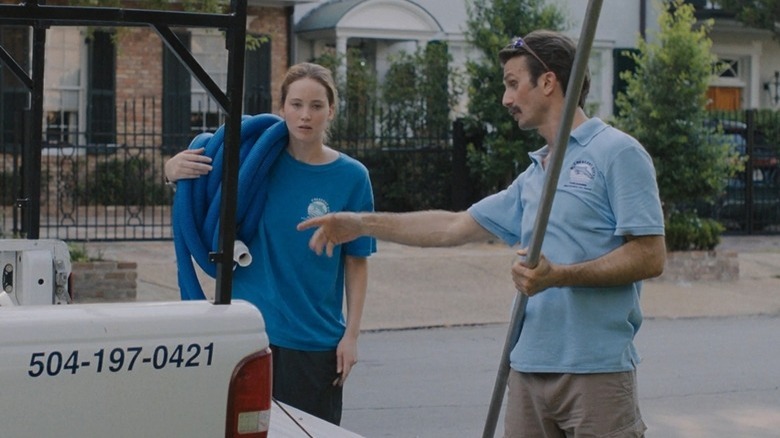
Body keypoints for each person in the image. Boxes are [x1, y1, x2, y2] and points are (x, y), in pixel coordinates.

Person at [297, 30, 665, 437]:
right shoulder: (534, 176)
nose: (506, 98)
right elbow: (452, 226)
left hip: (596, 373)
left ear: (547, 82)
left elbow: (650, 255)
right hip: (526, 367)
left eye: (512, 83)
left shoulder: (618, 152)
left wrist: (561, 275)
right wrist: (361, 223)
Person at [164, 62, 376, 425]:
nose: (305, 115)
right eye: (296, 104)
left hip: (314, 340)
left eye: (316, 105)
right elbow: (200, 187)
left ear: (331, 111)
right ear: (282, 108)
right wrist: (172, 171)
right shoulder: (251, 161)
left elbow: (357, 261)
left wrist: (351, 337)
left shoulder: (352, 178)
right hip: (250, 331)